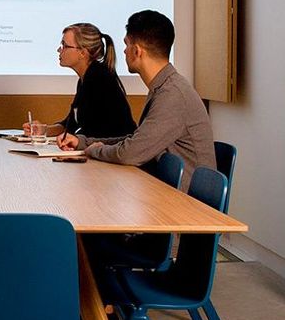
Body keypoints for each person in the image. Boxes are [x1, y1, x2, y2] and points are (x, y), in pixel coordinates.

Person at [58, 10, 215, 190]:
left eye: (126, 44)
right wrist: (83, 142)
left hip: (187, 206)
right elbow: (135, 140)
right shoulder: (165, 87)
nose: (124, 51)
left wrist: (95, 150)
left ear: (137, 50)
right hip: (166, 191)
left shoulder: (172, 95)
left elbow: (130, 153)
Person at [23, 23, 135, 140]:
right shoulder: (86, 79)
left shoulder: (99, 79)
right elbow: (70, 125)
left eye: (65, 46)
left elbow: (97, 132)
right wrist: (42, 130)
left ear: (82, 53)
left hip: (113, 153)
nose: (59, 50)